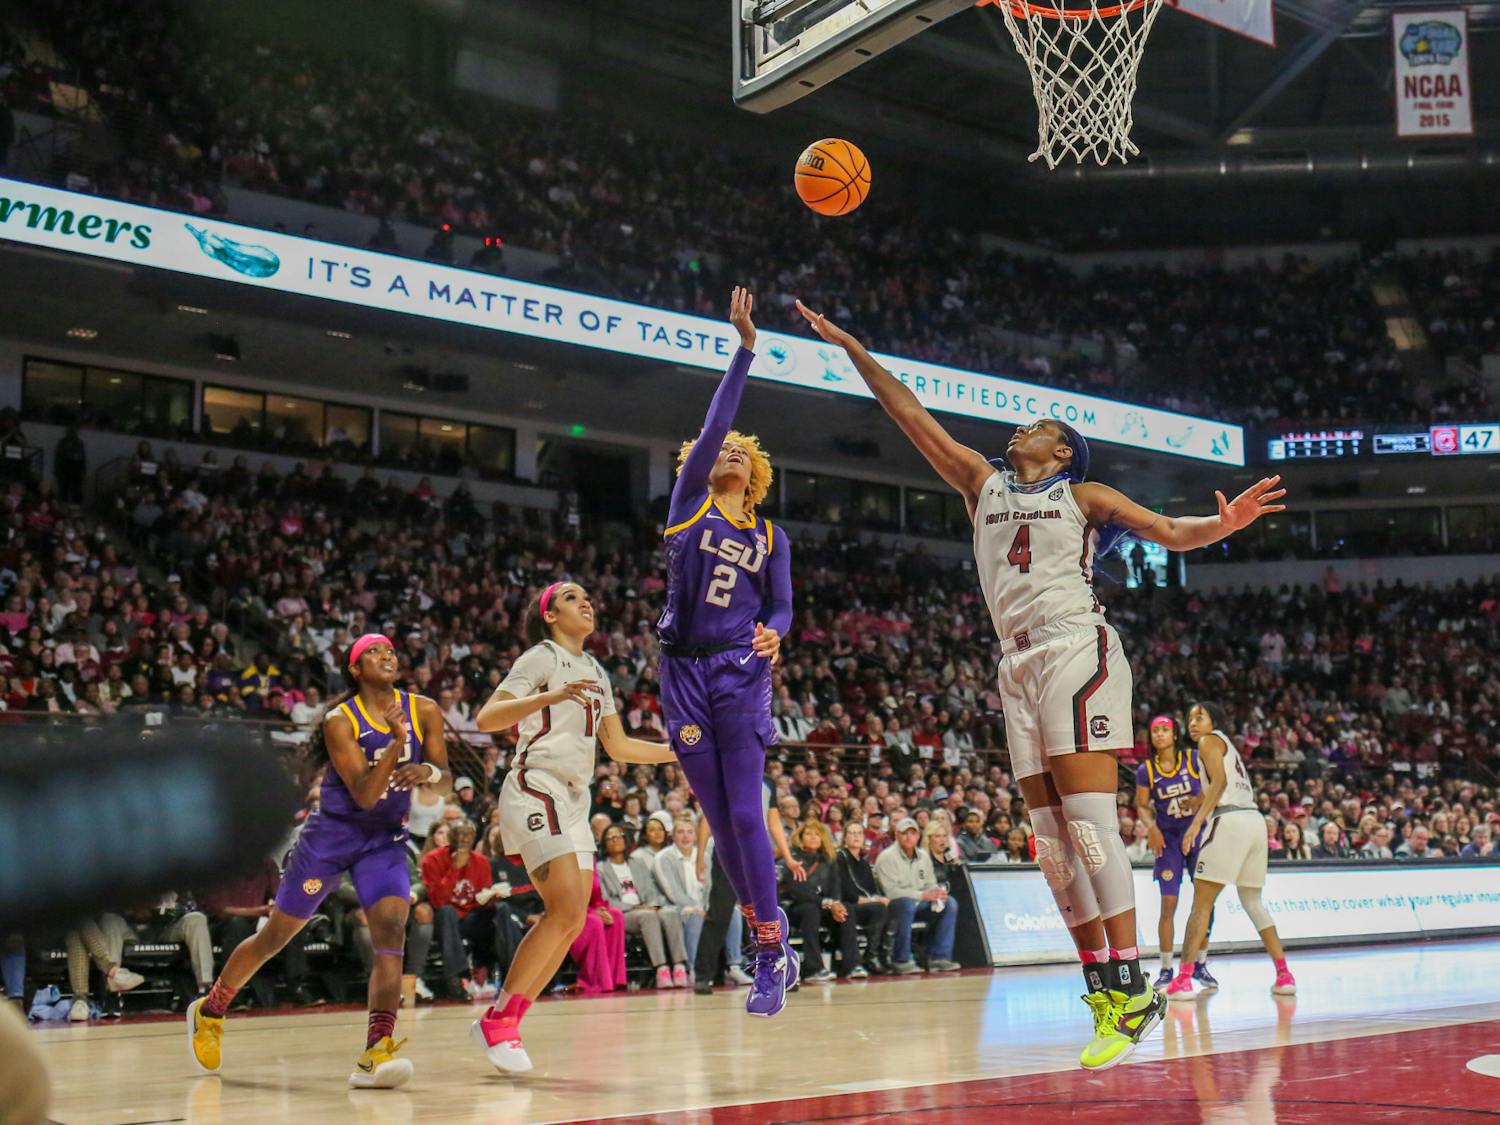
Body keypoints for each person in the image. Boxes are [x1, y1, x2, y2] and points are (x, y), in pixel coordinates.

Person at [799, 297, 1285, 1070]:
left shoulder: (1085, 497)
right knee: (1052, 845)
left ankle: (1134, 984)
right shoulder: (979, 483)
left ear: (1063, 455)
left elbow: (1171, 531)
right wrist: (852, 346)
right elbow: (909, 415)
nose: (1025, 428)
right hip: (1013, 662)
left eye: (1044, 428)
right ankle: (1105, 989)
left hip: (1076, 649)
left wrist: (1223, 525)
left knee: (1088, 821)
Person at [188, 633, 448, 1089]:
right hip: (330, 839)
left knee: (391, 934)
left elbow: (444, 780)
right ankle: (211, 1009)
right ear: (354, 669)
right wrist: (395, 744)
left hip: (384, 840)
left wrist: (427, 770)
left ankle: (376, 1050)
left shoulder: (424, 708)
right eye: (373, 651)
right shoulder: (339, 720)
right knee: (275, 937)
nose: (386, 655)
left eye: (390, 649)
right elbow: (366, 795)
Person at [657, 288, 798, 1018]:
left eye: (745, 449)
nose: (732, 448)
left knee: (746, 817)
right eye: (723, 448)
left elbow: (782, 604)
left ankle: (770, 950)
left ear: (758, 471)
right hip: (679, 669)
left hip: (740, 670)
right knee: (718, 823)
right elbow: (715, 421)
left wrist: (775, 628)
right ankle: (769, 939)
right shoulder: (689, 500)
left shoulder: (773, 536)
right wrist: (745, 348)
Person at [470, 581, 676, 1073]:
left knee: (572, 918)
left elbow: (620, 746)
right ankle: (498, 1022)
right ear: (548, 615)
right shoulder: (540, 657)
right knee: (563, 906)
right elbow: (486, 718)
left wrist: (679, 751)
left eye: (587, 596)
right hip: (536, 782)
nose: (585, 601)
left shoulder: (598, 671)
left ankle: (506, 1019)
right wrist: (551, 696)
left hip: (575, 797)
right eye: (569, 597)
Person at [1166, 702, 1295, 1001]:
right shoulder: (1228, 745)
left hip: (1229, 822)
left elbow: (1220, 783)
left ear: (1214, 720)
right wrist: (1196, 801)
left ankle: (1183, 980)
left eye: (1200, 717)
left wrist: (1195, 824)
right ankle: (1284, 975)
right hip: (1254, 821)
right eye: (1189, 718)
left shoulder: (1207, 741)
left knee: (1201, 903)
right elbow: (1221, 784)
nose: (1193, 723)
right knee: (1253, 901)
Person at [1133, 715, 1216, 991]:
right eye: (1155, 730)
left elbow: (1215, 784)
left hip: (1197, 835)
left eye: (1164, 730)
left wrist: (1200, 799)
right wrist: (1150, 826)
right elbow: (1142, 806)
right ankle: (1167, 968)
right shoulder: (1146, 770)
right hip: (1168, 840)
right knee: (1168, 904)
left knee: (1204, 903)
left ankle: (1199, 965)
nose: (1159, 735)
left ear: (1174, 734)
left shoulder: (1193, 759)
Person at [598, 823, 691, 989]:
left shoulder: (637, 863)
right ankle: (661, 968)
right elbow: (607, 900)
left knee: (669, 913)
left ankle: (679, 966)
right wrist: (635, 908)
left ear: (625, 840)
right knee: (647, 916)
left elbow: (650, 890)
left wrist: (652, 904)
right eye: (610, 838)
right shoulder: (601, 868)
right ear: (604, 844)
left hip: (647, 907)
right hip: (624, 914)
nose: (616, 840)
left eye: (619, 835)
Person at [873, 817, 960, 974]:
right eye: (904, 833)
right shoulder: (887, 857)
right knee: (905, 903)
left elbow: (930, 883)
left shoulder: (923, 856)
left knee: (950, 903)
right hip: (893, 906)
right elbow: (891, 892)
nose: (909, 837)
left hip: (919, 903)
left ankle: (939, 958)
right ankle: (901, 959)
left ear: (918, 836)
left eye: (912, 833)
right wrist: (922, 895)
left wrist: (937, 893)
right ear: (896, 835)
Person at [778, 821, 841, 983]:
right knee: (810, 910)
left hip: (823, 905)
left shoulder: (829, 860)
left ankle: (852, 964)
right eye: (808, 834)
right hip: (795, 908)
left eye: (817, 834)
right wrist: (826, 903)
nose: (813, 837)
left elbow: (835, 887)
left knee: (846, 910)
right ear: (800, 838)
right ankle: (814, 968)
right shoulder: (792, 858)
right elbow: (798, 891)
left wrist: (836, 904)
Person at [834, 822, 889, 976]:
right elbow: (843, 891)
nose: (856, 836)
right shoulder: (839, 859)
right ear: (845, 838)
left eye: (859, 833)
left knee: (884, 908)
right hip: (846, 904)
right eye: (851, 833)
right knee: (848, 908)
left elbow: (871, 890)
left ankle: (873, 956)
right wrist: (868, 900)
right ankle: (852, 965)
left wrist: (878, 898)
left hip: (863, 906)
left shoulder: (864, 863)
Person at [653, 817, 708, 968]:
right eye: (680, 832)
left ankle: (733, 966)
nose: (686, 836)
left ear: (696, 835)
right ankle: (693, 967)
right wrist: (696, 908)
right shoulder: (663, 857)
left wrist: (707, 907)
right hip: (675, 907)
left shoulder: (704, 856)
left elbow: (710, 886)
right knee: (694, 915)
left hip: (703, 907)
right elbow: (672, 892)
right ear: (673, 836)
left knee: (733, 913)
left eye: (690, 832)